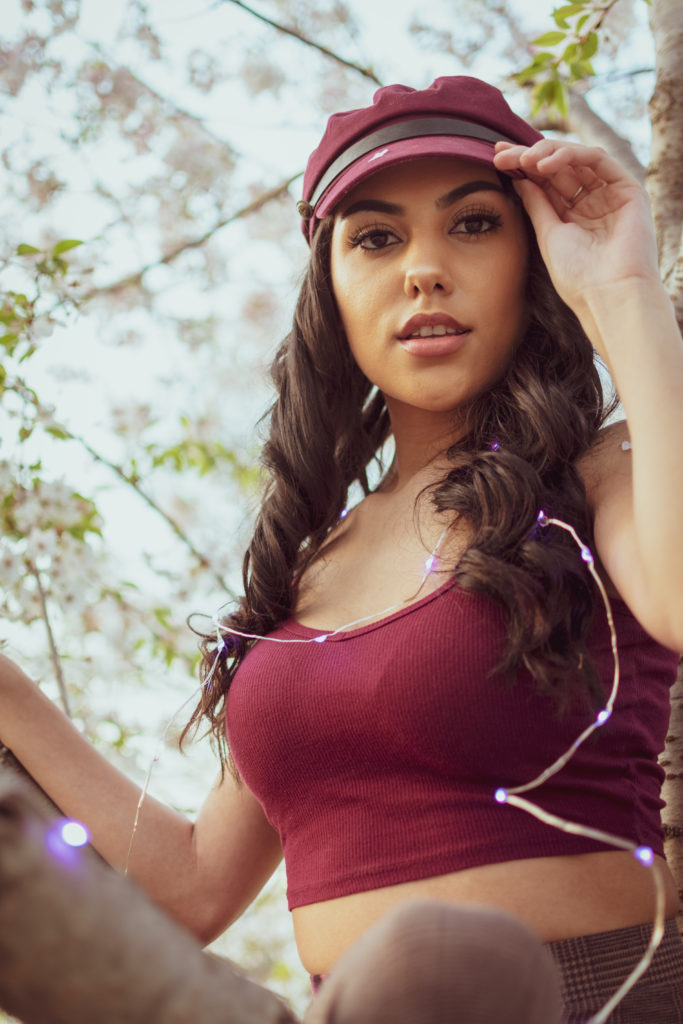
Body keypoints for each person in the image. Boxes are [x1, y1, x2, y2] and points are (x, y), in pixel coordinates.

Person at [1, 75, 682, 1023]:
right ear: (330, 288)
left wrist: (623, 290)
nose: (423, 270)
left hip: (581, 1000)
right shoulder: (306, 566)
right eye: (375, 237)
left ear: (533, 265)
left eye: (474, 226)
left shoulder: (603, 471)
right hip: (344, 1010)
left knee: (437, 957)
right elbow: (193, 888)